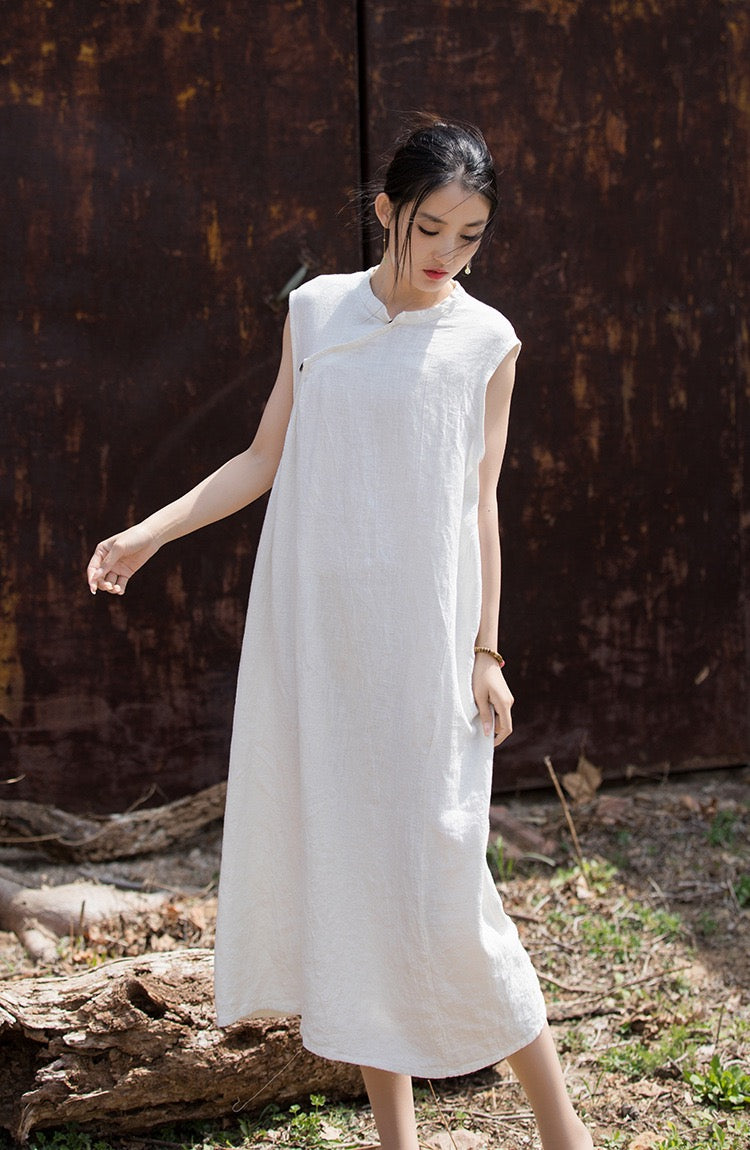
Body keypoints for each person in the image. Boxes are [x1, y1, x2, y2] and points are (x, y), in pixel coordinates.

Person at [87, 118, 593, 1150]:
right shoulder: (316, 311)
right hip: (317, 642)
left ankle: (564, 1133)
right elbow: (261, 458)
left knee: (447, 888)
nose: (447, 252)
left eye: (470, 235)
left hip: (424, 651)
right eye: (430, 227)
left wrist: (486, 650)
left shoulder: (486, 342)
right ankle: (396, 1141)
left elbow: (480, 503)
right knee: (353, 885)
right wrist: (149, 532)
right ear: (386, 212)